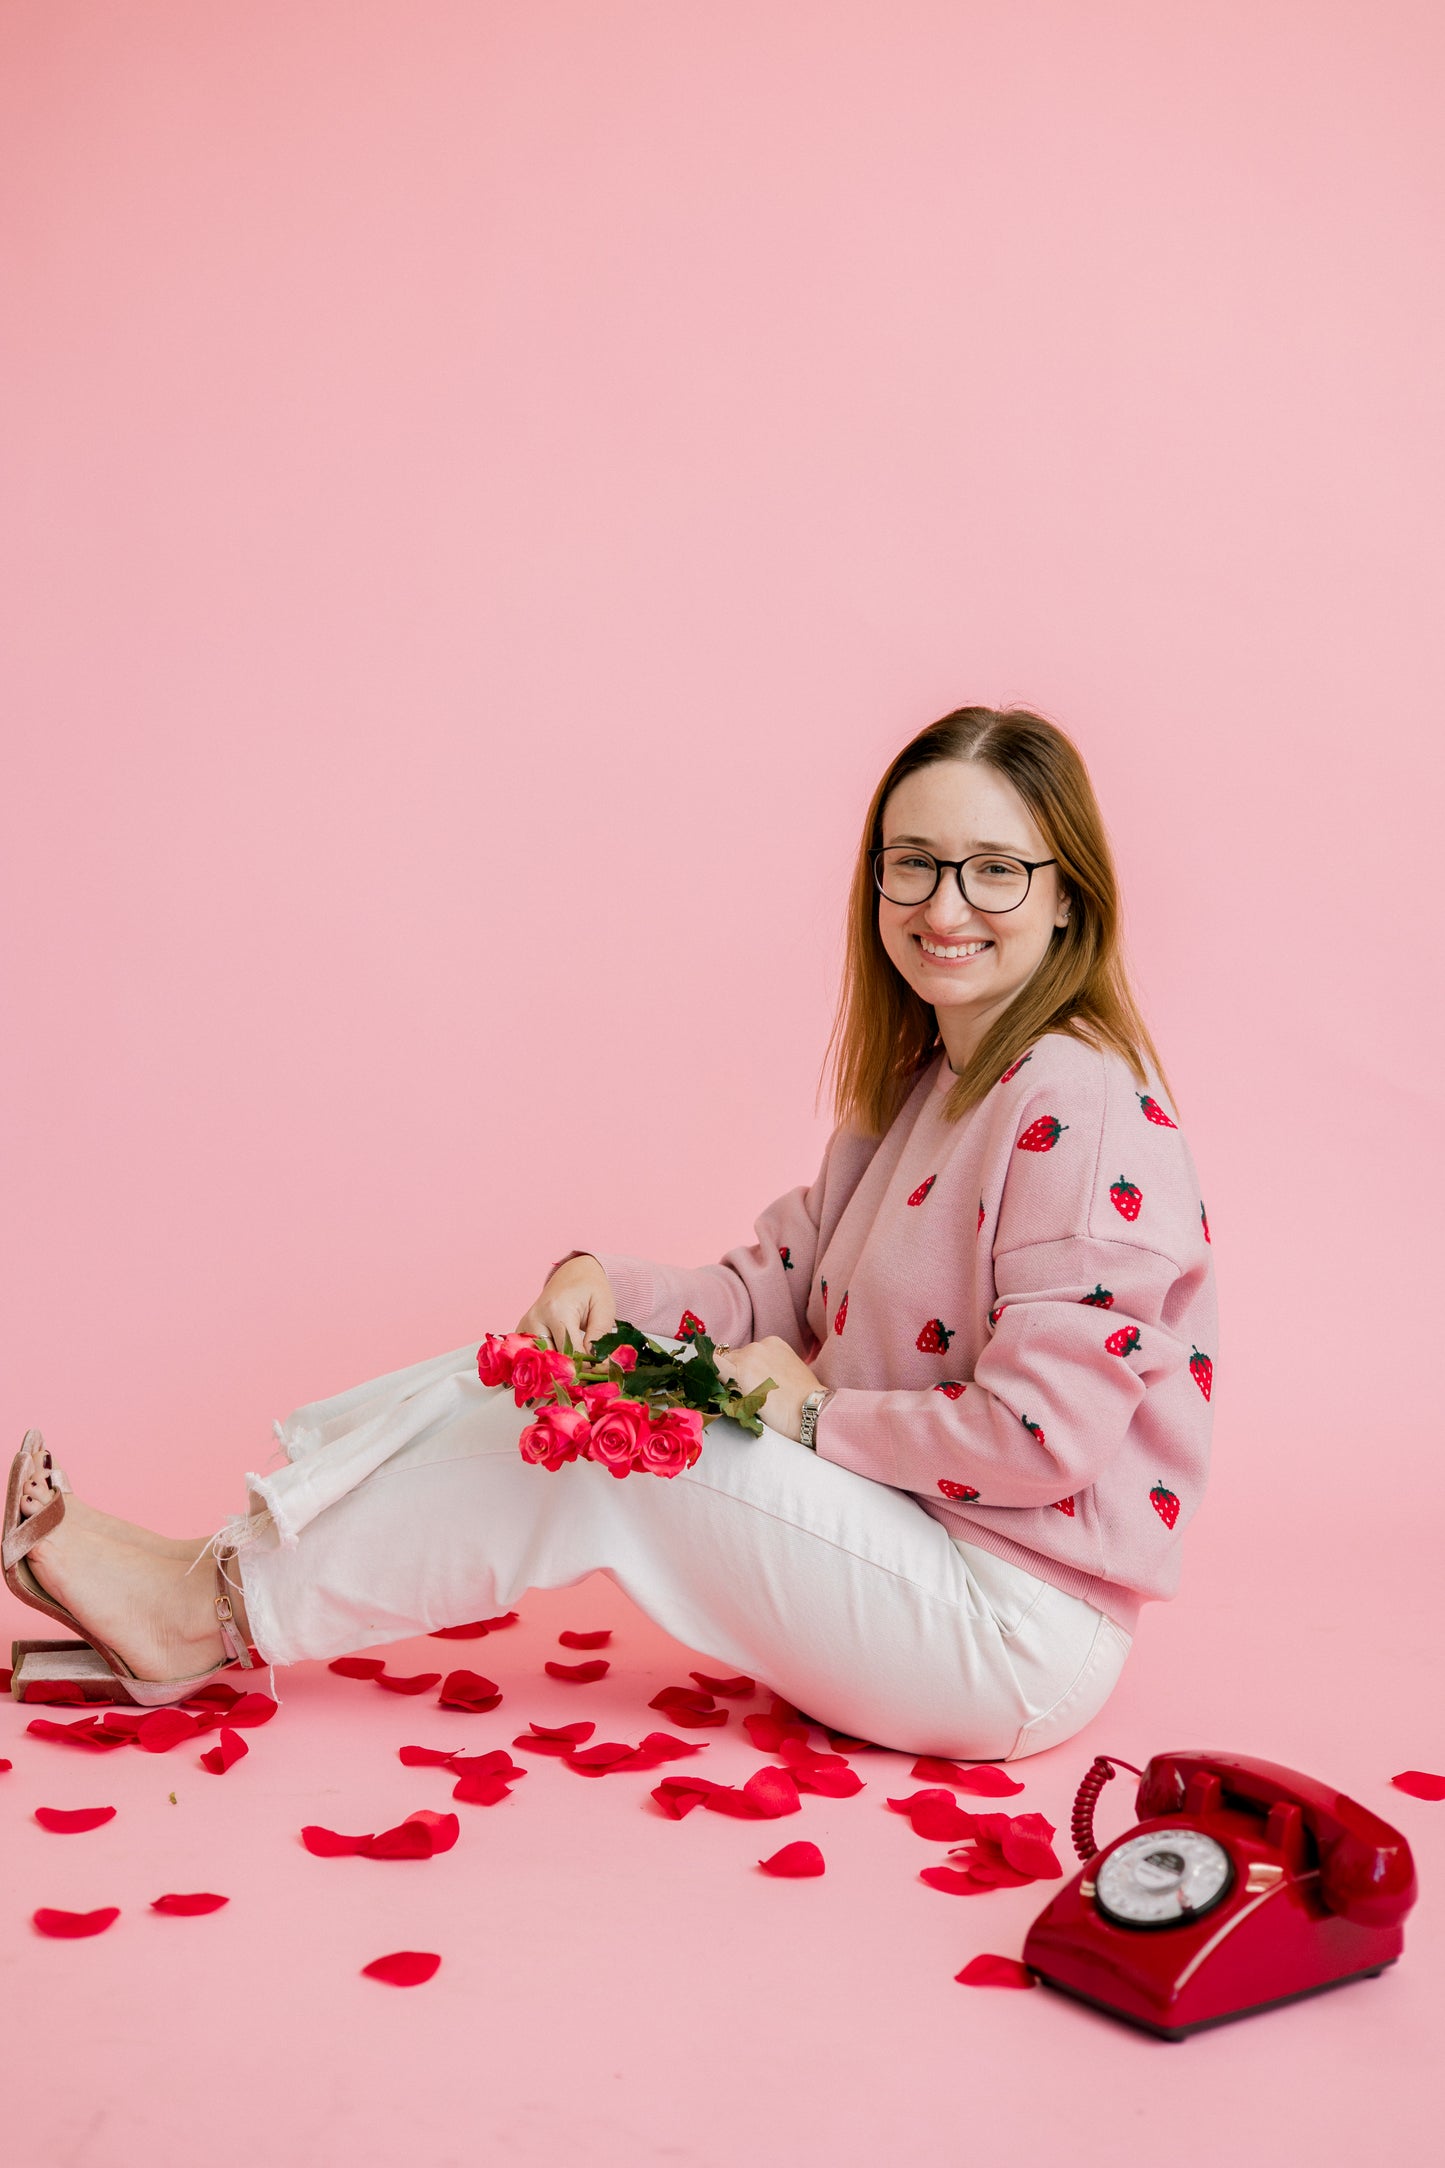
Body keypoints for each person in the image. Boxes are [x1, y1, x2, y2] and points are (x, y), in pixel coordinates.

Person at [5, 705, 1216, 1757]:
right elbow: (776, 1291)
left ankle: (198, 1611)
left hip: (1011, 1627)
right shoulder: (915, 1087)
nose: (945, 905)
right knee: (568, 1379)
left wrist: (808, 1416)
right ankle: (206, 1578)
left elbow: (1041, 1436)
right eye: (914, 864)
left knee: (612, 1444)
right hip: (904, 1545)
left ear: (1066, 895)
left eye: (994, 870)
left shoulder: (1077, 1103)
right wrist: (604, 1288)